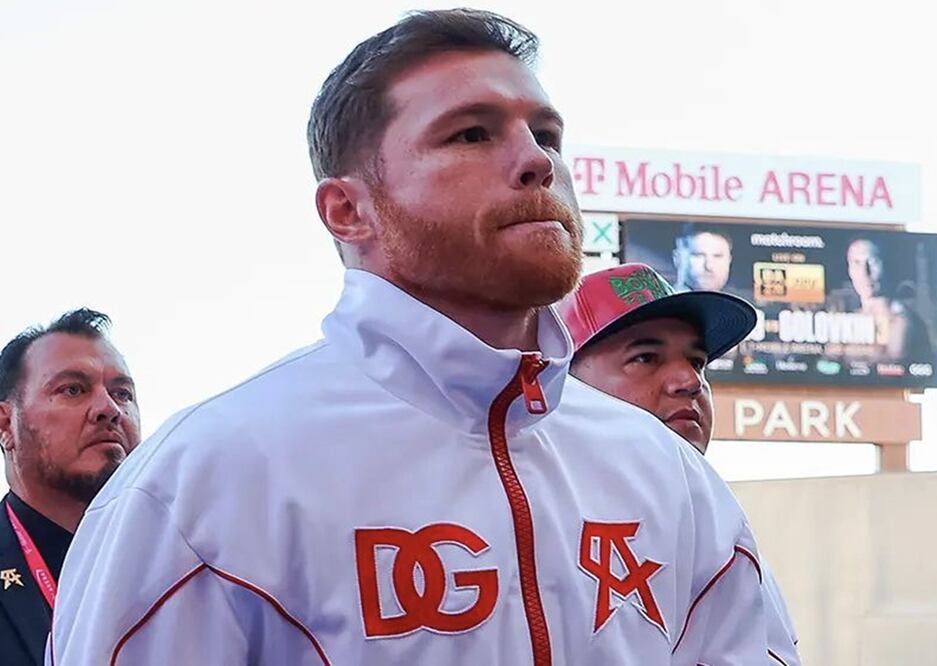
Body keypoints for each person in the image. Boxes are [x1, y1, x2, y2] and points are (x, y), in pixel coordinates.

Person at [50, 10, 772, 665]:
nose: (537, 161)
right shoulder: (200, 487)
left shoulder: (670, 479)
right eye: (471, 133)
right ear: (347, 211)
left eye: (546, 134)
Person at [558, 263, 801, 665]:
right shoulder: (507, 509)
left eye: (698, 362)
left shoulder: (719, 531)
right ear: (563, 382)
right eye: (646, 357)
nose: (689, 381)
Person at [0, 309, 140, 666]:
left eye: (122, 393)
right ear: (5, 424)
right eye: (73, 389)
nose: (109, 409)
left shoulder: (188, 558)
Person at [843, 238, 930, 362]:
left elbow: (890, 369)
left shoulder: (901, 321)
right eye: (856, 263)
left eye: (872, 262)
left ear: (886, 265)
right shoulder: (847, 321)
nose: (864, 272)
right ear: (849, 270)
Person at [672, 224, 736, 293]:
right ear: (677, 258)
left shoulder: (742, 303)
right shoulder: (662, 302)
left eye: (717, 256)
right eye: (699, 255)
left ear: (729, 260)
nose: (709, 266)